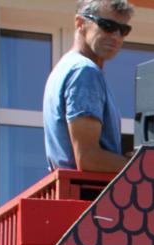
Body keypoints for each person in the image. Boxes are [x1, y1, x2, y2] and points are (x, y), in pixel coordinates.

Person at [42, 1, 134, 172]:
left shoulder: (65, 67)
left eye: (123, 30)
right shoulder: (84, 71)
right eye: (107, 26)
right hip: (86, 188)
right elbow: (88, 158)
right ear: (80, 23)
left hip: (74, 185)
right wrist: (141, 167)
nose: (116, 36)